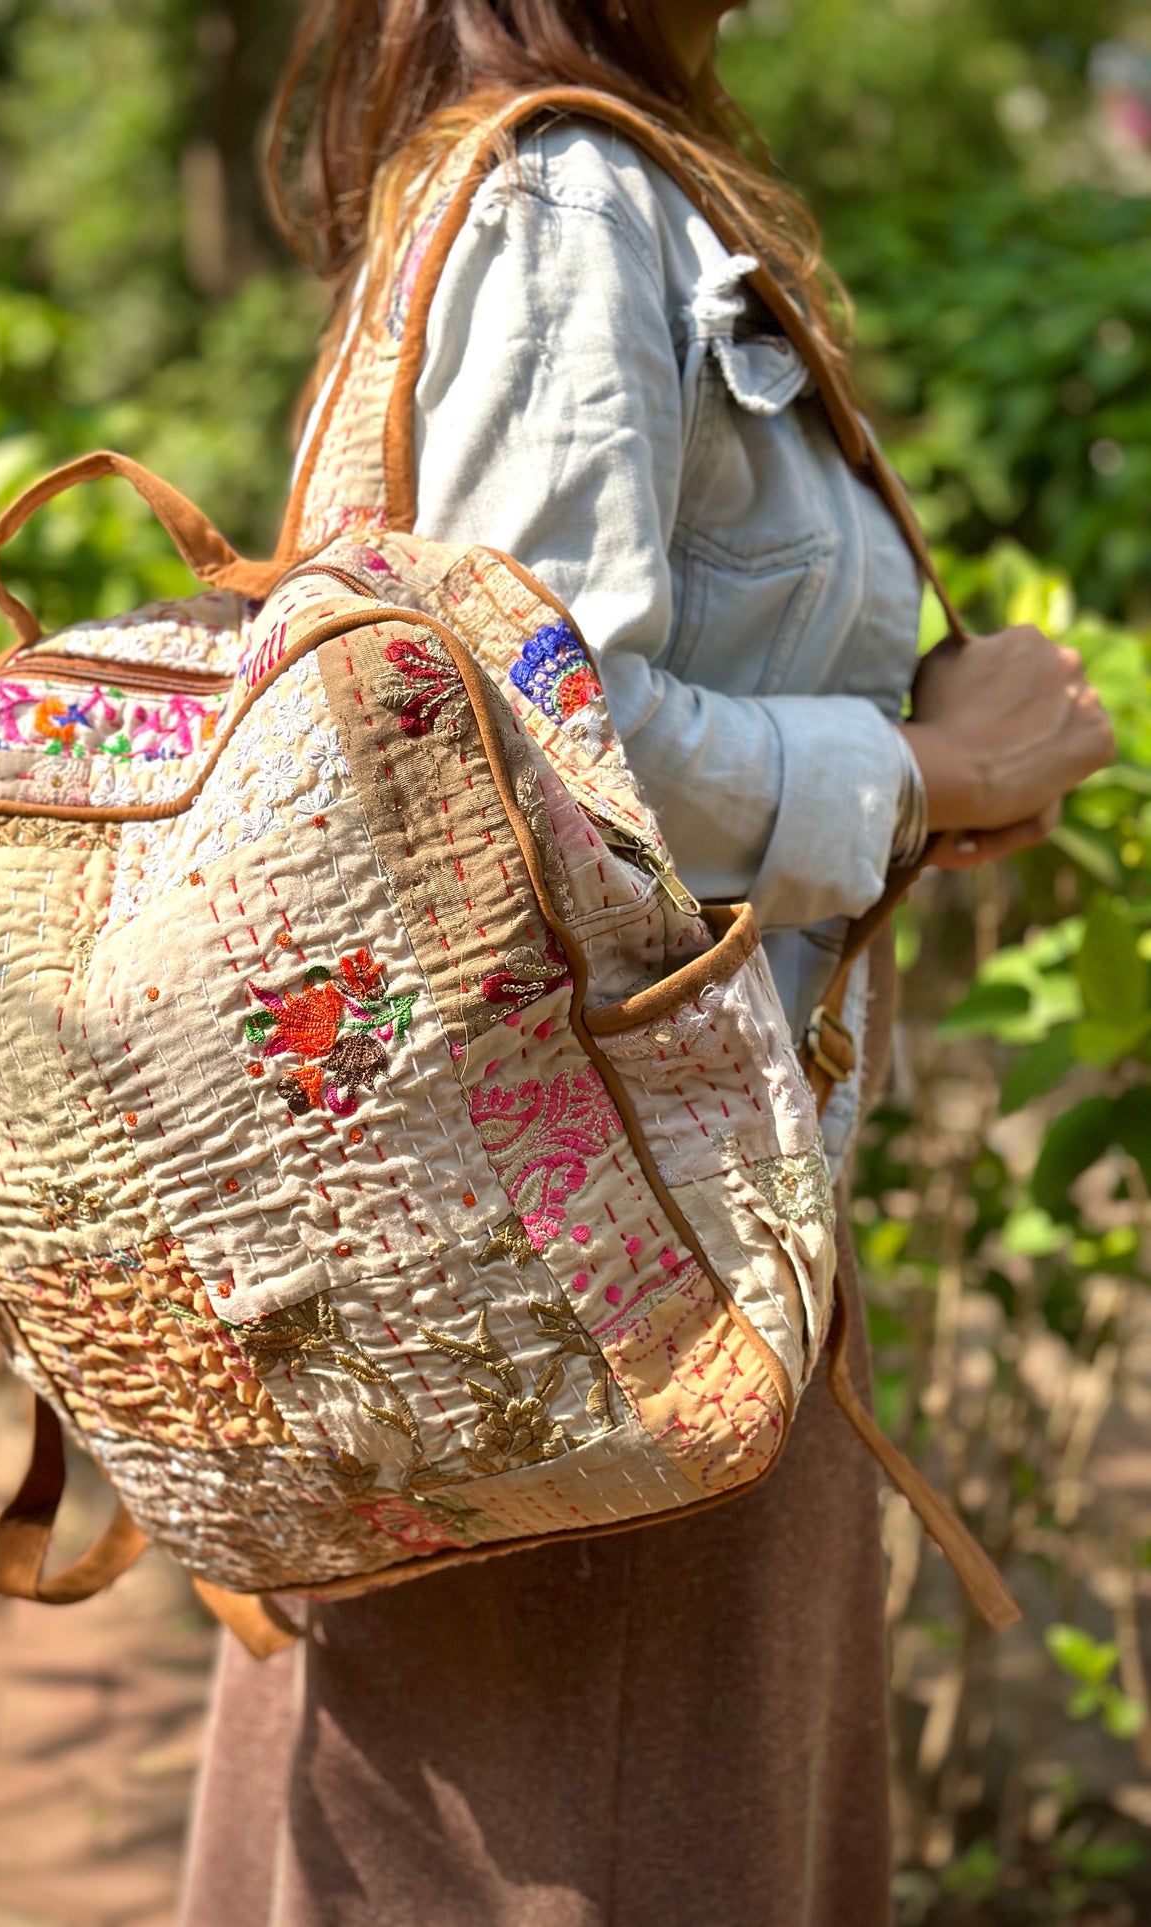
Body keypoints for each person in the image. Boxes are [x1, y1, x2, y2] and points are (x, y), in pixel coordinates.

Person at [179, 4, 1115, 1921]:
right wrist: (922, 774)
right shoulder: (565, 201)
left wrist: (899, 745)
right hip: (624, 1286)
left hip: (539, 1268)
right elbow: (526, 741)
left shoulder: (511, 176)